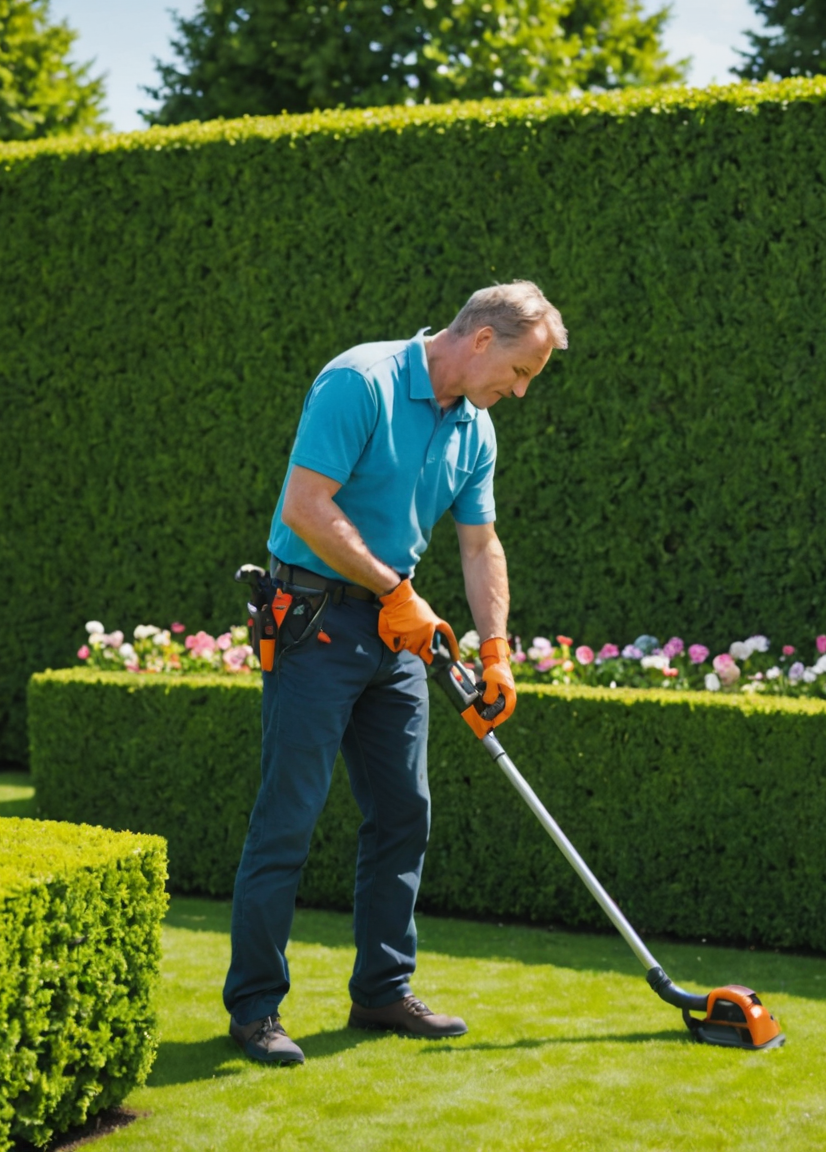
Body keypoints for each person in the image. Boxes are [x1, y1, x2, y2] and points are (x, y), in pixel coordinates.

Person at [223, 282, 567, 1066]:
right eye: (519, 372)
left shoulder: (473, 430)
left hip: (395, 631)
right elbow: (308, 506)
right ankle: (254, 1010)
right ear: (482, 340)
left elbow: (481, 546)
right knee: (290, 816)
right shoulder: (361, 381)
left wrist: (496, 650)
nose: (517, 392)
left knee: (404, 813)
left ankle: (381, 989)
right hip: (314, 621)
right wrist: (394, 591)